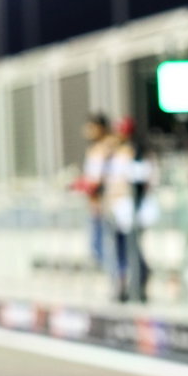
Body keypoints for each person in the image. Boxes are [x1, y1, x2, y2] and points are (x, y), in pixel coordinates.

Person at [101, 116, 154, 302]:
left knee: (132, 248)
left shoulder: (135, 154)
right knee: (119, 250)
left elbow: (140, 182)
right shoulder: (115, 153)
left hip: (129, 210)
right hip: (116, 209)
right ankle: (122, 285)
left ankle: (139, 281)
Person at [78, 113, 115, 268]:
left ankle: (117, 276)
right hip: (95, 203)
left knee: (108, 243)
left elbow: (105, 176)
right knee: (96, 244)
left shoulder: (108, 146)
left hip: (106, 202)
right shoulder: (93, 148)